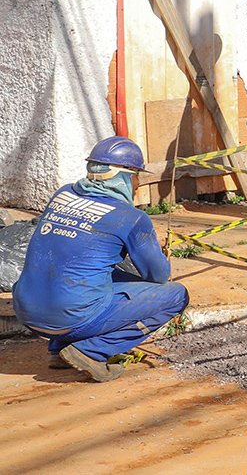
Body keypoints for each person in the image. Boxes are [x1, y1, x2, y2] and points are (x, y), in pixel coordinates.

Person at [12, 137, 188, 382]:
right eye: (137, 176)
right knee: (175, 295)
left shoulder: (62, 194)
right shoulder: (131, 217)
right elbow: (157, 276)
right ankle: (90, 351)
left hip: (26, 310)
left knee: (81, 273)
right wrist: (156, 249)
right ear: (125, 176)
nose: (138, 184)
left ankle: (58, 349)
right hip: (70, 317)